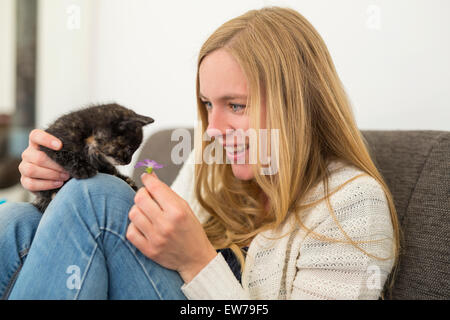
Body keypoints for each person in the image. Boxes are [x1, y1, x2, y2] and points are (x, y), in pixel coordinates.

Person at [0, 6, 400, 300]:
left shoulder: (351, 204)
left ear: (299, 105)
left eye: (237, 106)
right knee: (15, 218)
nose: (213, 129)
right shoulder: (211, 165)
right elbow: (125, 253)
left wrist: (197, 262)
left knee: (96, 198)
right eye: (208, 105)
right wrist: (61, 173)